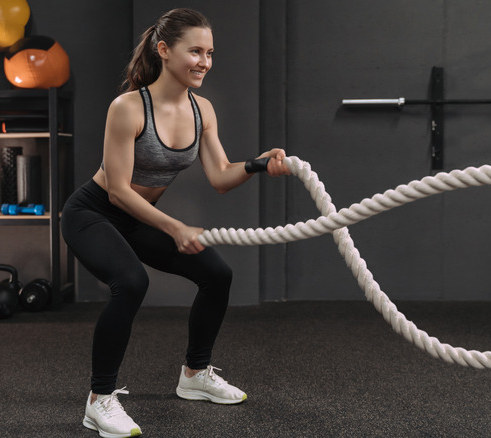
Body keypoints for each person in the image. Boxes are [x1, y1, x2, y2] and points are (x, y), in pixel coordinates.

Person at [61, 8, 290, 438]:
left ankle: (194, 374)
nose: (204, 61)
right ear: (164, 50)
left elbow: (221, 174)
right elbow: (118, 191)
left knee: (216, 274)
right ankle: (98, 400)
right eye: (195, 51)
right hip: (93, 214)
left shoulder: (202, 110)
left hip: (134, 219)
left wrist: (259, 164)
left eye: (210, 53)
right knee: (130, 283)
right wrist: (174, 227)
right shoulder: (128, 108)